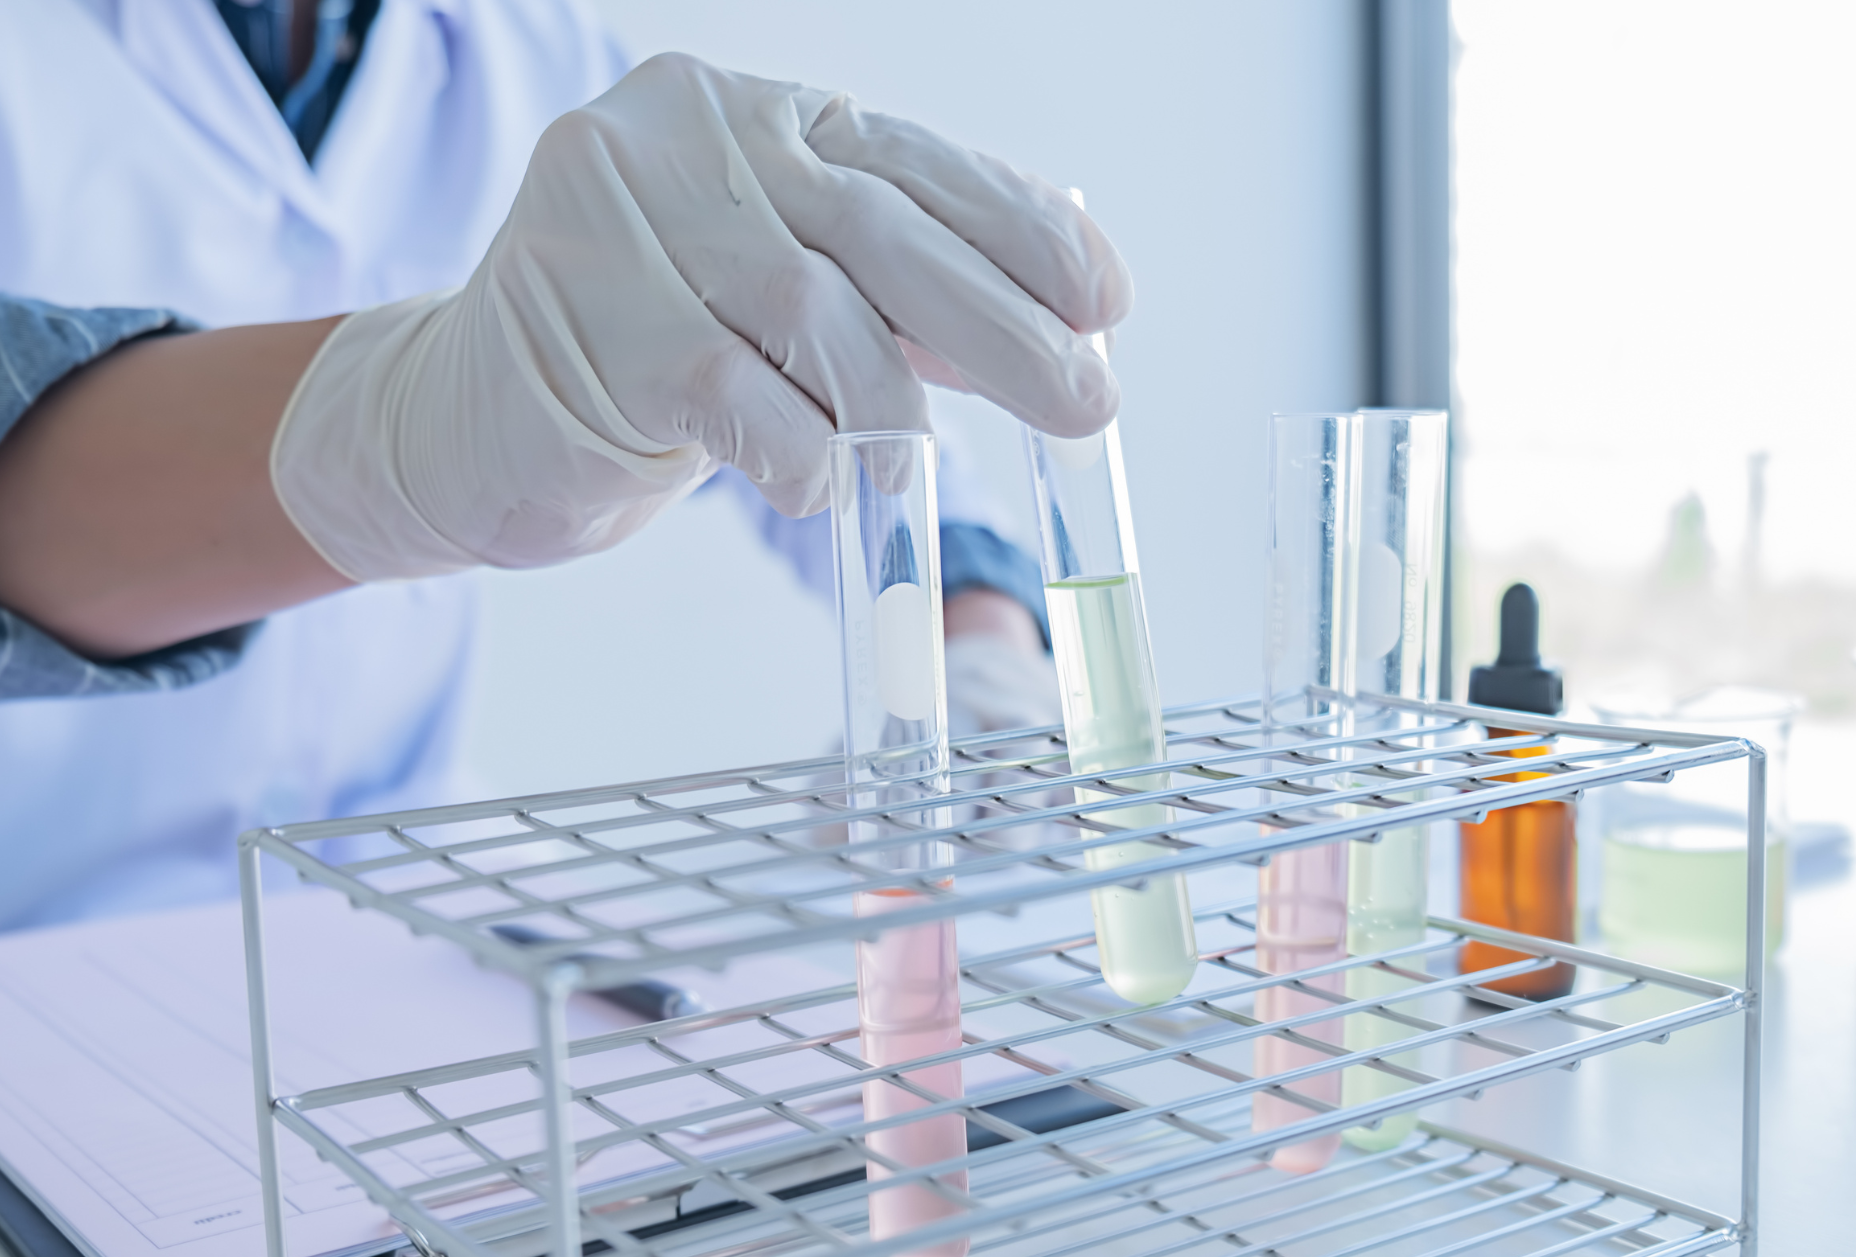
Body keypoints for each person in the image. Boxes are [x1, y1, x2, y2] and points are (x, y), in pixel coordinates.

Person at [0, 2, 1131, 929]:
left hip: (404, 913)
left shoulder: (527, 52)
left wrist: (974, 634)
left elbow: (792, 354)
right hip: (49, 941)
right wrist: (391, 429)